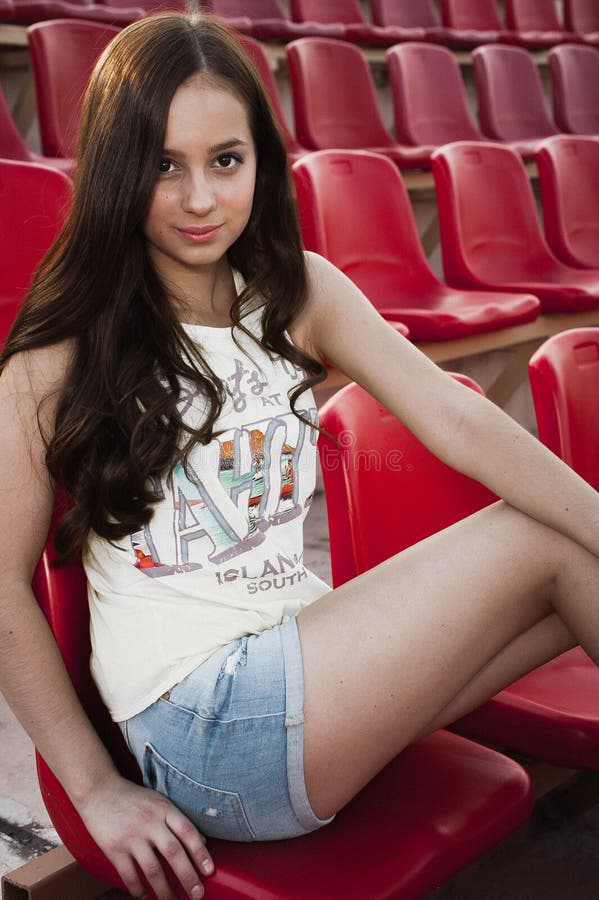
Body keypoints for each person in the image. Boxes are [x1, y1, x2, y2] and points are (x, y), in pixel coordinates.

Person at [0, 11, 598, 900]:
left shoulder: (297, 291)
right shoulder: (59, 350)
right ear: (118, 168)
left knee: (571, 551)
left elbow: (455, 419)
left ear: (260, 164)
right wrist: (93, 790)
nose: (201, 199)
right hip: (205, 725)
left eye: (225, 160)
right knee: (548, 540)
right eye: (164, 166)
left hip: (290, 668)